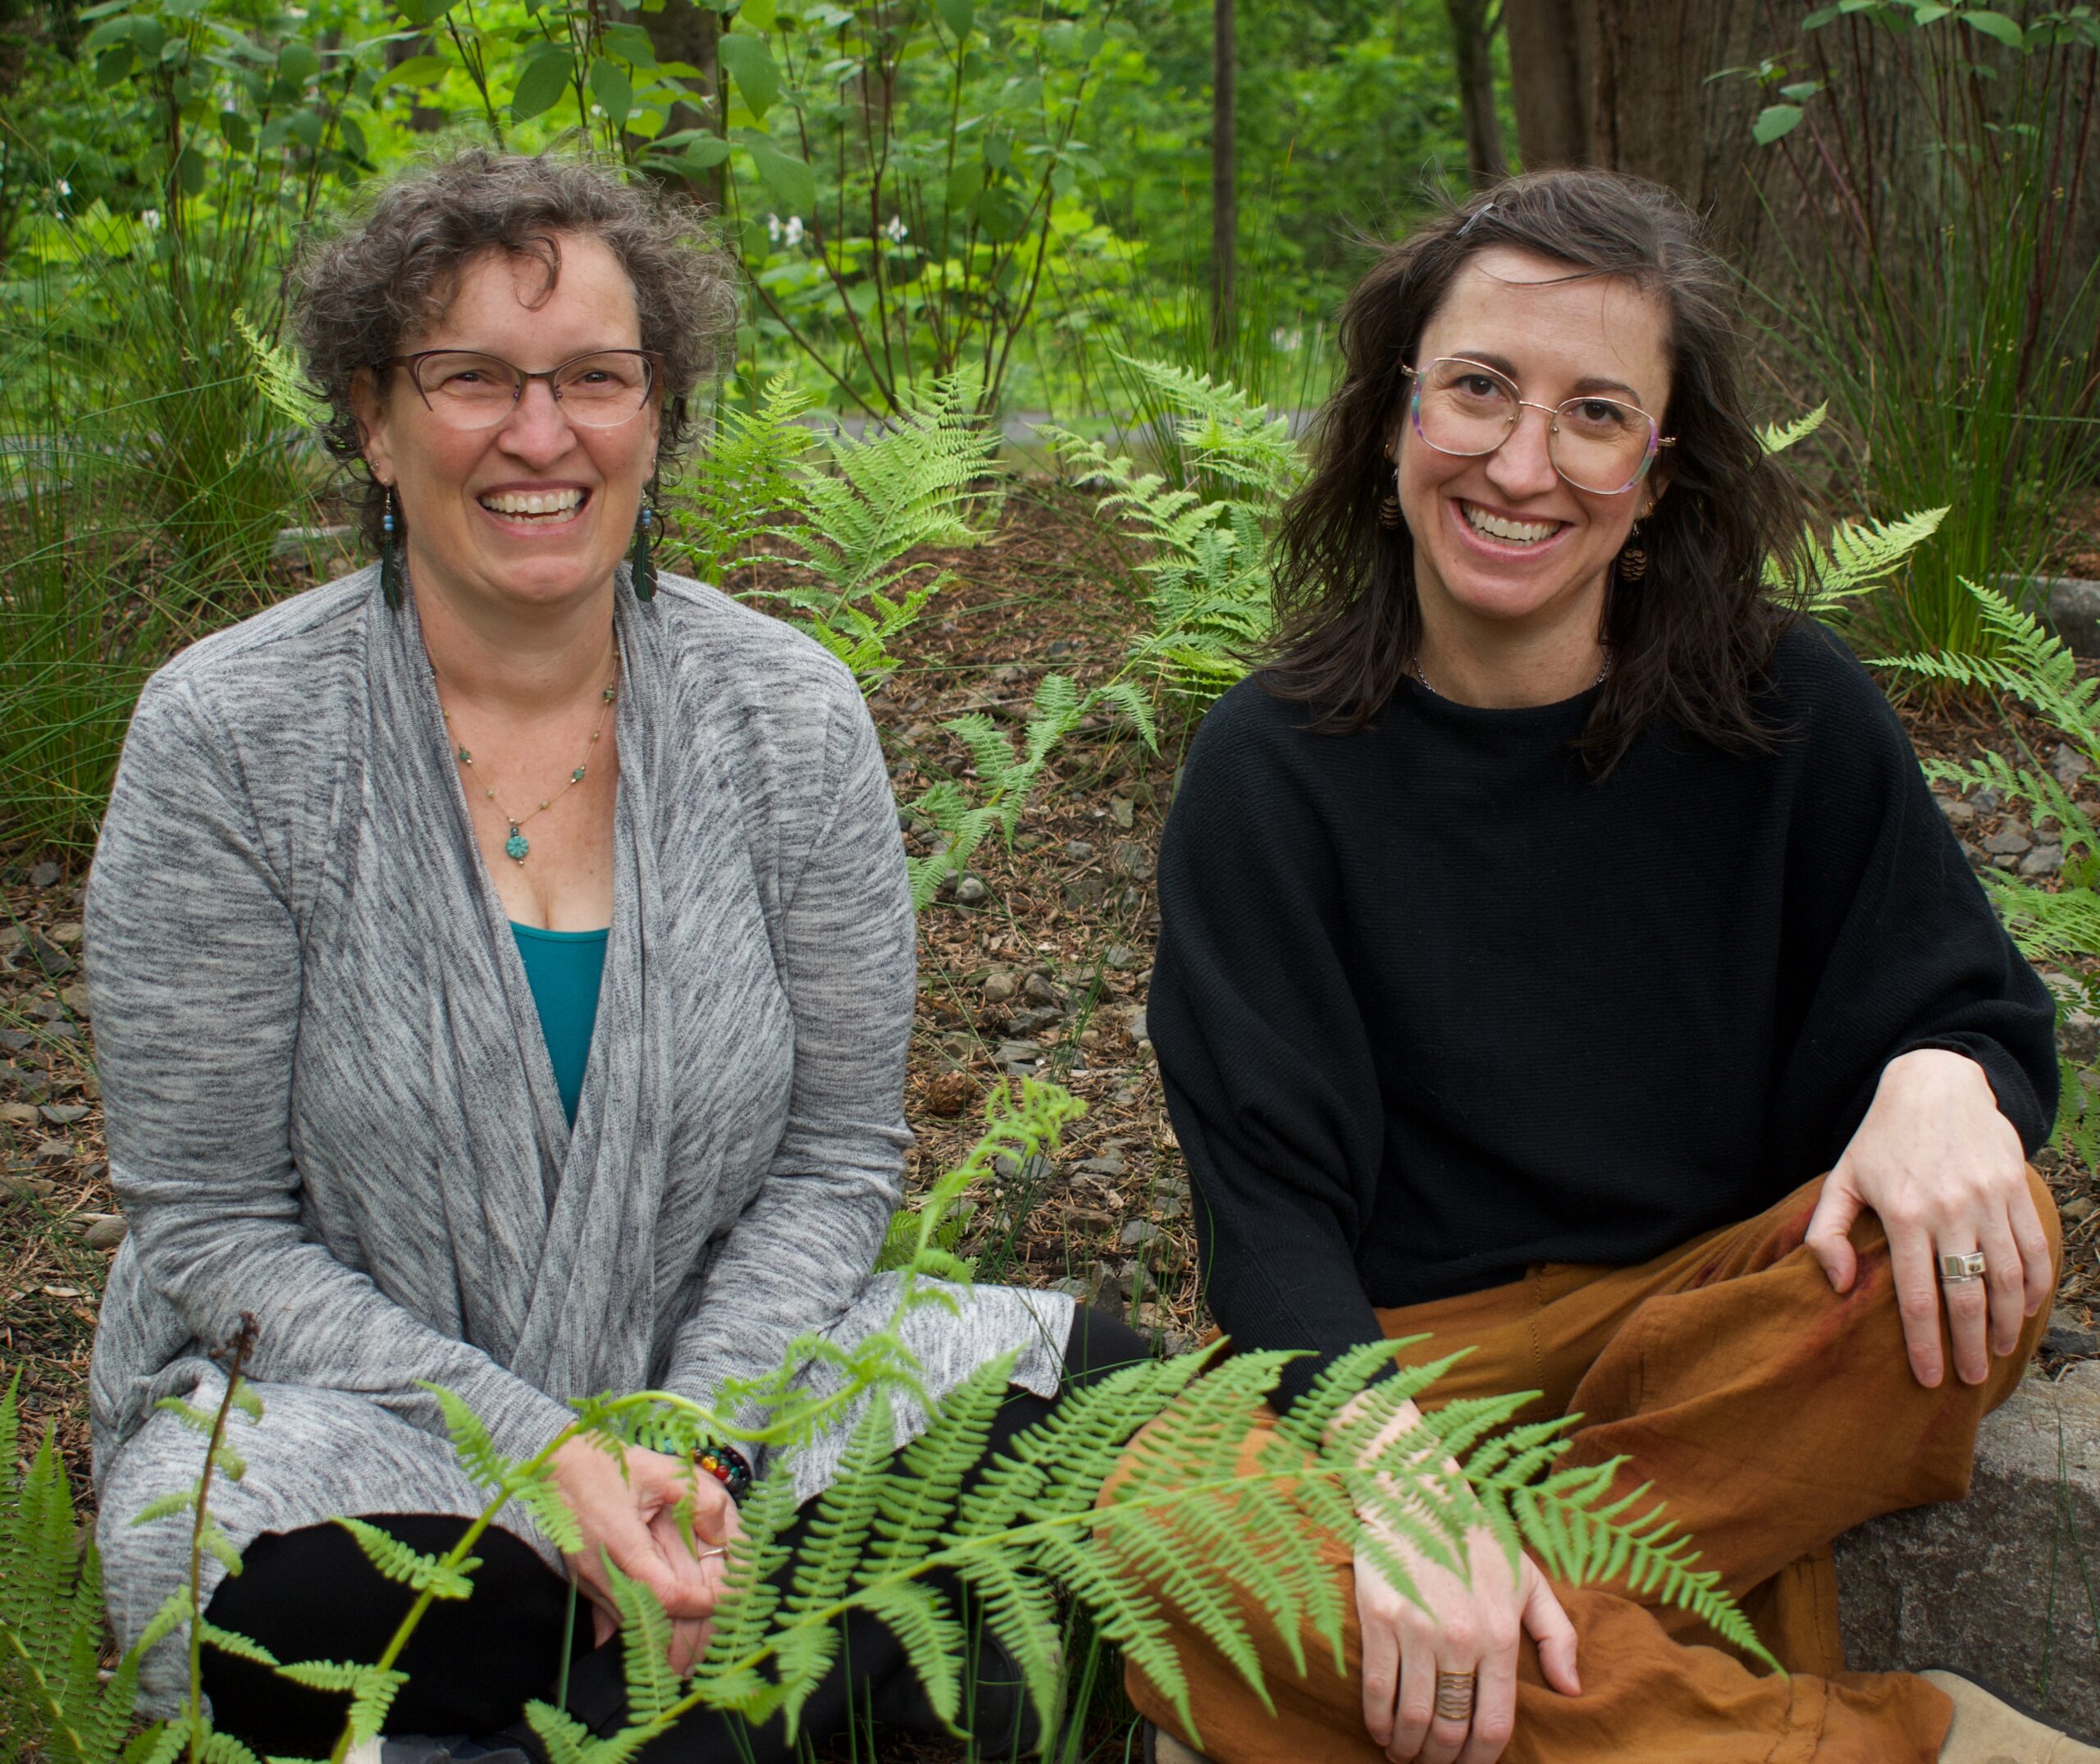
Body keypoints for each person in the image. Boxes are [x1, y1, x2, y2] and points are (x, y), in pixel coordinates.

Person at [84, 149, 1146, 1762]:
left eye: (595, 377)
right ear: (372, 416)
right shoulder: (230, 737)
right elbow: (215, 1231)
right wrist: (538, 1456)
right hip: (383, 1439)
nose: (541, 433)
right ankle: (744, 1700)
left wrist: (689, 1449)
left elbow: (835, 1161)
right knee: (230, 1570)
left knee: (1098, 1395)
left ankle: (627, 1696)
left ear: (657, 417)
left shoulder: (786, 715)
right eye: (473, 379)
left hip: (731, 1406)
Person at [1130, 169, 2081, 1764]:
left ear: (1653, 472)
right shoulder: (1268, 769)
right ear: (1390, 420)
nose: (1520, 463)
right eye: (1478, 390)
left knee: (1990, 1245)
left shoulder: (1787, 709)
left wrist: (1936, 1074)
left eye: (1591, 414)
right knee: (1172, 1539)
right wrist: (1395, 1478)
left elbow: (1963, 1007)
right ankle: (1890, 1742)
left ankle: (1462, 1637)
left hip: (1731, 1327)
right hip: (1414, 1358)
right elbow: (1267, 1213)